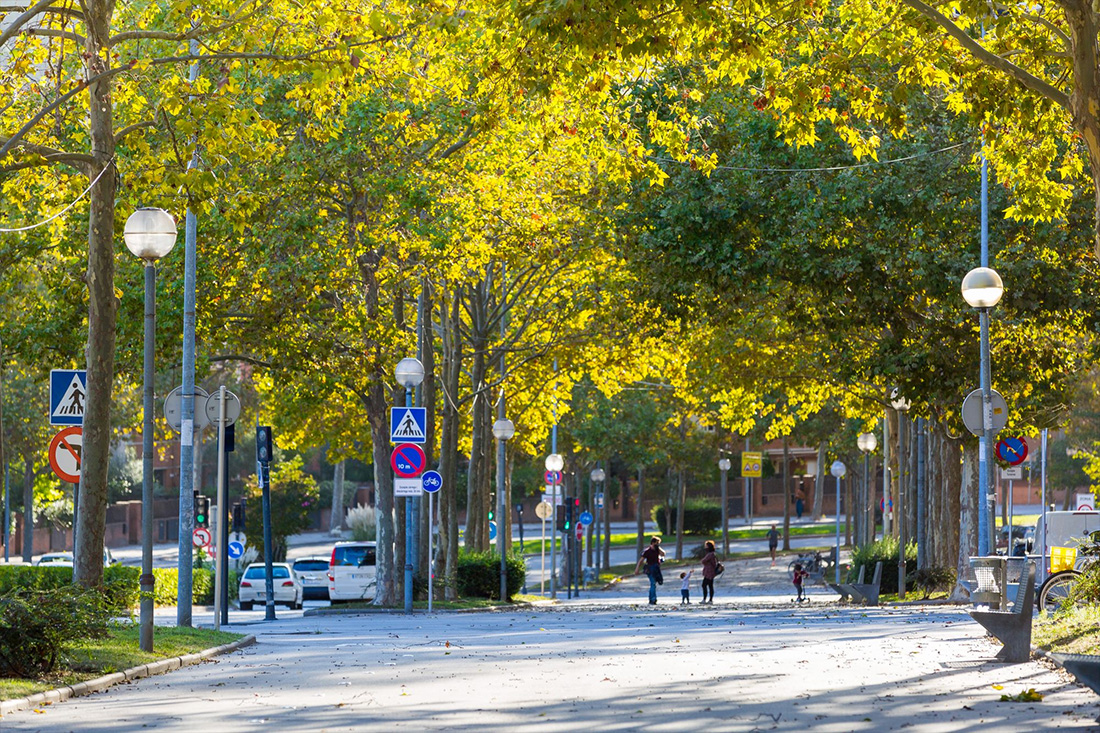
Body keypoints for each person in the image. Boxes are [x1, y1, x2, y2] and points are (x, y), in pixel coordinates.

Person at [634, 536, 665, 604]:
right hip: (650, 568)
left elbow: (663, 554)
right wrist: (637, 569)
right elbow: (641, 560)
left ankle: (651, 598)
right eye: (656, 543)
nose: (657, 545)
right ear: (652, 543)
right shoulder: (647, 551)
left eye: (658, 543)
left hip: (656, 568)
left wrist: (658, 548)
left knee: (656, 583)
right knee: (653, 583)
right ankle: (653, 599)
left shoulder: (657, 550)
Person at [700, 540, 719, 604]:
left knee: (704, 585)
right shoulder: (712, 554)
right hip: (711, 572)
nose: (705, 547)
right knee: (710, 586)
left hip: (709, 572)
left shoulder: (710, 554)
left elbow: (703, 561)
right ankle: (710, 600)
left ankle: (705, 599)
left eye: (706, 546)